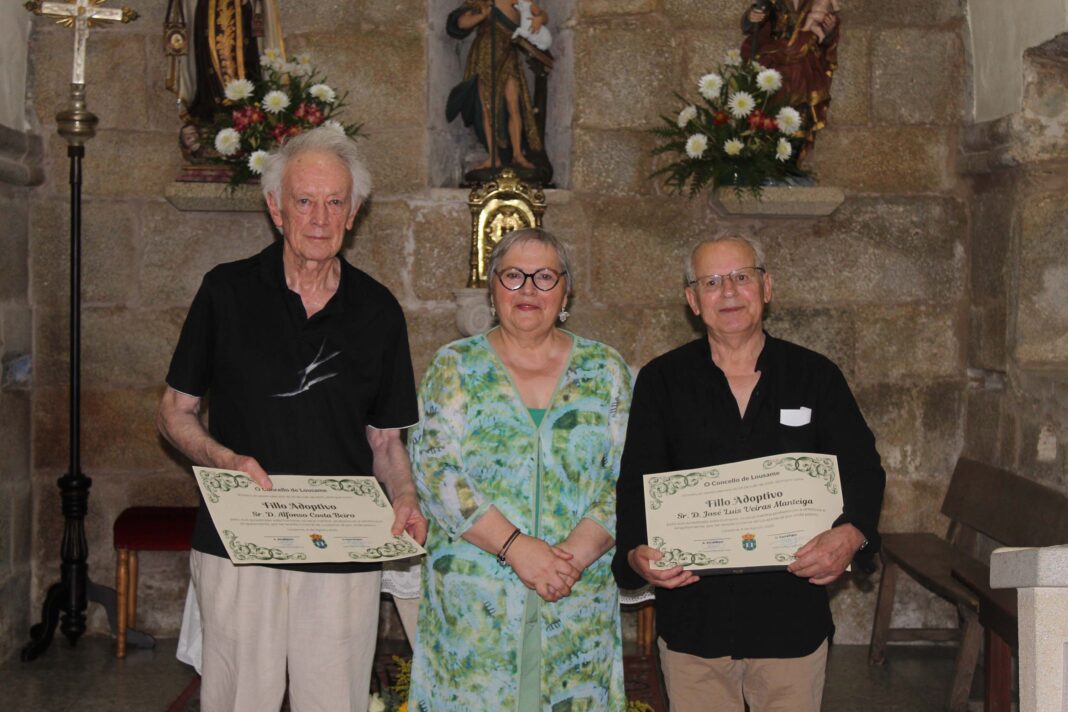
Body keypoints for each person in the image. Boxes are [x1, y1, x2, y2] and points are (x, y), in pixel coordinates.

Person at [158, 126, 427, 712]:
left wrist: (405, 496)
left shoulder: (378, 310)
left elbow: (386, 440)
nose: (319, 218)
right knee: (238, 700)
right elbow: (175, 412)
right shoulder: (225, 292)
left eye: (335, 202)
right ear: (275, 208)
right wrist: (224, 459)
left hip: (341, 546)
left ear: (353, 213)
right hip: (240, 538)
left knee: (335, 701)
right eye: (304, 200)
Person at [613, 235, 884, 712]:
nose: (729, 292)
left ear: (767, 287)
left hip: (790, 616)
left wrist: (852, 534)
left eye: (742, 277)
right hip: (695, 619)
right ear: (693, 300)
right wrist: (636, 553)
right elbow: (637, 478)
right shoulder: (662, 381)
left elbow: (862, 467)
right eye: (712, 282)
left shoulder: (815, 376)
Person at [407, 228, 632, 711]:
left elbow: (626, 475)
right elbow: (436, 471)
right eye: (514, 276)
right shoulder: (454, 366)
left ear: (566, 291)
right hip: (476, 603)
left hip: (575, 591)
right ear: (493, 288)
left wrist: (568, 560)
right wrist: (516, 548)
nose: (528, 289)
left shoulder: (606, 370)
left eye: (544, 276)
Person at [446, 0, 547, 173]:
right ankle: (494, 158)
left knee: (513, 105)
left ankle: (518, 155)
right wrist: (482, 15)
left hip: (508, 54)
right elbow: (461, 23)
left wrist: (539, 19)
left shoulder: (516, 0)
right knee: (487, 107)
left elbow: (541, 13)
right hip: (485, 54)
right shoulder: (484, 2)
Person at [741, 0, 841, 163]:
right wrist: (751, 17)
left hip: (805, 67)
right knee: (771, 111)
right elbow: (755, 19)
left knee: (801, 114)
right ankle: (771, 162)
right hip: (776, 61)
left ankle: (791, 162)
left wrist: (828, 31)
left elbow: (827, 39)